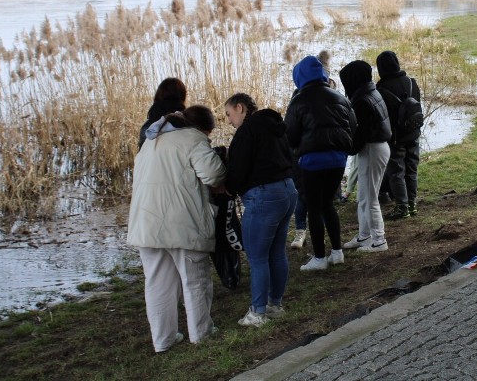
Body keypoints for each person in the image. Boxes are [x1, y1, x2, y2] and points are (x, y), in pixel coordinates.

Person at [127, 105, 227, 352]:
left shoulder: (150, 142)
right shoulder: (193, 138)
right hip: (183, 223)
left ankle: (163, 340)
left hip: (145, 224)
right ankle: (201, 333)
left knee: (158, 284)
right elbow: (214, 175)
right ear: (203, 128)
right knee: (195, 280)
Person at [223, 93, 297, 327]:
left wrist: (228, 189)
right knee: (276, 252)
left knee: (257, 258)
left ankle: (257, 312)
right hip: (287, 189)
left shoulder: (247, 131)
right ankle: (275, 304)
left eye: (229, 114)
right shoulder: (275, 126)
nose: (228, 120)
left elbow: (237, 168)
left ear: (240, 108)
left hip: (263, 197)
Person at [285, 55, 356, 271]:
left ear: (299, 76)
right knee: (328, 204)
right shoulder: (339, 97)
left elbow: (290, 136)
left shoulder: (299, 100)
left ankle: (318, 258)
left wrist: (297, 151)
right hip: (337, 160)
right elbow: (352, 125)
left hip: (312, 162)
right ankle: (337, 252)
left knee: (314, 208)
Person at [338, 60, 392, 252]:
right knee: (363, 196)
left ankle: (379, 240)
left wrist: (348, 148)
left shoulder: (362, 101)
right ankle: (364, 235)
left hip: (372, 149)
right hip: (376, 147)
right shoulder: (372, 92)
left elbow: (361, 134)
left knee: (370, 197)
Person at [376, 50, 422, 220]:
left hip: (396, 137)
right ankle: (412, 204)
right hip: (414, 133)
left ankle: (402, 207)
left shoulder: (381, 89)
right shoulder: (412, 82)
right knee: (412, 169)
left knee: (397, 172)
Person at [138, 77, 187, 149]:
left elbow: (141, 151)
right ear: (182, 96)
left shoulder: (148, 126)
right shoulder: (187, 123)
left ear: (158, 95)